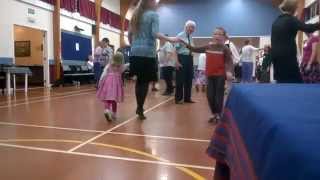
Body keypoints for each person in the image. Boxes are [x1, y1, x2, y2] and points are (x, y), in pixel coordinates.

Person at [129, 0, 179, 120]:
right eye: (154, 1)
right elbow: (154, 33)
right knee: (145, 82)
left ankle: (139, 106)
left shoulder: (135, 15)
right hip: (147, 52)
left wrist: (134, 45)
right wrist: (170, 39)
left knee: (139, 81)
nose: (156, 3)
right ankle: (140, 107)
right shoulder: (153, 15)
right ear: (149, 3)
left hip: (135, 51)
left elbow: (129, 34)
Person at [182, 27, 234, 123]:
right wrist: (184, 43)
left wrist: (229, 71)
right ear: (213, 35)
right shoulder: (208, 47)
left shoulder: (225, 48)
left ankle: (217, 114)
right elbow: (195, 49)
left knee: (218, 96)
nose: (217, 36)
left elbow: (229, 61)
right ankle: (214, 113)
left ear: (223, 36)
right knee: (210, 96)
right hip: (209, 75)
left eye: (219, 34)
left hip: (220, 75)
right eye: (215, 34)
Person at [271, 0, 320, 83]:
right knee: (296, 81)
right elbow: (307, 28)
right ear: (293, 9)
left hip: (276, 56)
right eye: (296, 8)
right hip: (287, 56)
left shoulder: (276, 21)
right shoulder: (291, 20)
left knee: (281, 81)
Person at [97, 53, 128, 121]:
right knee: (114, 99)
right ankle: (114, 114)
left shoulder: (109, 65)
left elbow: (103, 74)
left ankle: (107, 110)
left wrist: (99, 82)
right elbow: (127, 65)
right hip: (116, 85)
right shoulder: (122, 67)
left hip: (107, 83)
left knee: (107, 98)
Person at [174, 20, 197, 104]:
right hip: (181, 58)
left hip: (189, 59)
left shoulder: (190, 37)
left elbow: (192, 48)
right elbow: (175, 50)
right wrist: (176, 61)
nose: (192, 29)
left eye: (193, 28)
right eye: (191, 27)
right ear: (186, 27)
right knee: (180, 79)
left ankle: (187, 98)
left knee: (189, 79)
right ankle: (178, 99)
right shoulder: (180, 36)